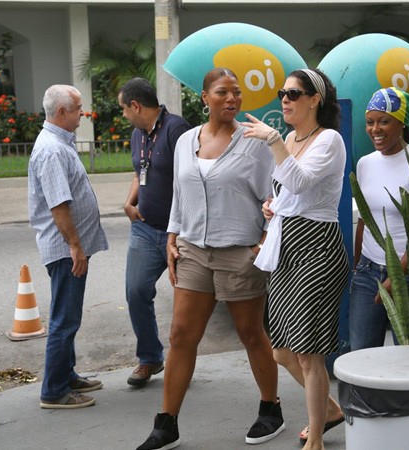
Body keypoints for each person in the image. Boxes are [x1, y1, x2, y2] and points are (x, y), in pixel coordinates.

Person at [137, 68, 283, 450]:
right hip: (193, 251)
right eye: (222, 92)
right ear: (204, 97)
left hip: (239, 252)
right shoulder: (185, 140)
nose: (231, 99)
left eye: (236, 93)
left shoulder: (253, 144)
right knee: (181, 336)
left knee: (251, 334)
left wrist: (262, 243)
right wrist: (172, 236)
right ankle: (166, 424)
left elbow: (278, 196)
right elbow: (179, 195)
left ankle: (271, 408)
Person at [243, 68, 349, 450]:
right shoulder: (290, 138)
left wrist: (272, 141)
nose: (284, 99)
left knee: (308, 353)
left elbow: (302, 181)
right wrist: (274, 206)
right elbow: (291, 189)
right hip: (287, 245)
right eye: (281, 93)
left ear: (314, 99)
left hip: (317, 247)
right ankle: (332, 410)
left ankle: (316, 440)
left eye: (292, 93)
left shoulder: (330, 140)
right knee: (282, 351)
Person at [28, 84, 109, 409]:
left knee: (68, 315)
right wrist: (75, 246)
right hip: (65, 251)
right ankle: (54, 391)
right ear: (61, 112)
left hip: (70, 248)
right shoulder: (51, 149)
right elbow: (58, 205)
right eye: (78, 109)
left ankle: (67, 373)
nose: (82, 114)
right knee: (64, 318)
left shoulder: (58, 143)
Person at [118, 78, 191, 387]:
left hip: (181, 232)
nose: (123, 115)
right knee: (136, 291)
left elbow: (190, 178)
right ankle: (150, 358)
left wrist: (180, 231)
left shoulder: (177, 129)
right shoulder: (138, 134)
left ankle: (183, 363)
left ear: (136, 106)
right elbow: (140, 171)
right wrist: (129, 201)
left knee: (188, 303)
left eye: (123, 109)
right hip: (146, 229)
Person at [349, 87, 409, 351]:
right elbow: (364, 219)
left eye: (384, 121)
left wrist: (394, 279)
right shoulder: (365, 163)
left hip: (407, 275)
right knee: (360, 354)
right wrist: (357, 266)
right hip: (368, 272)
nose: (375, 129)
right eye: (370, 122)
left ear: (402, 123)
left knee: (408, 356)